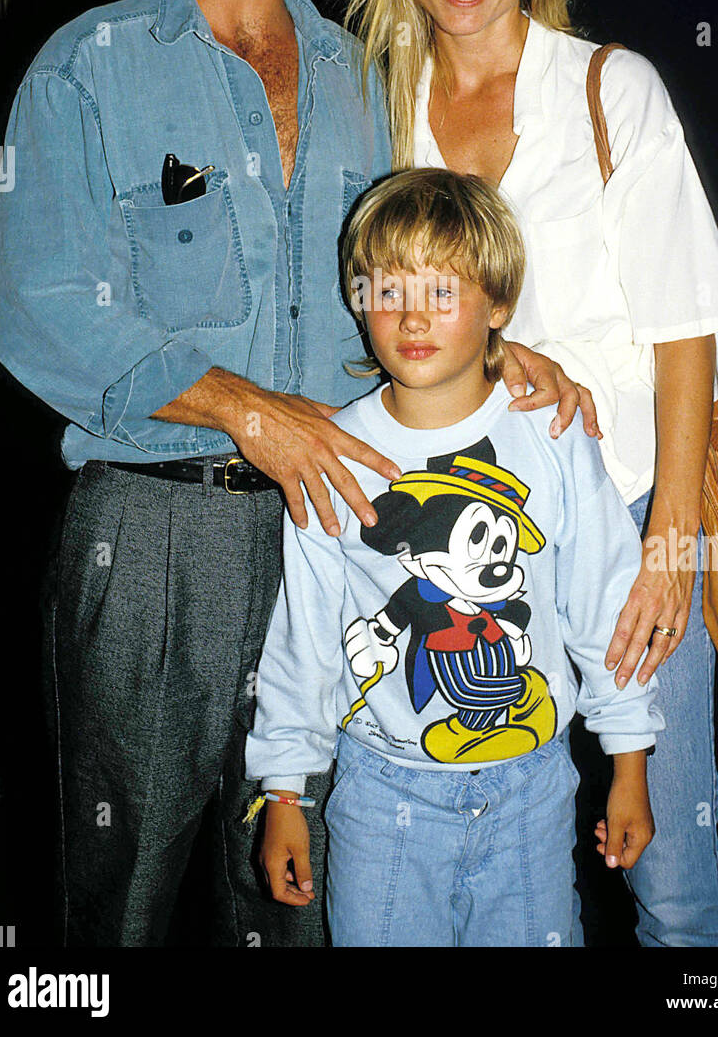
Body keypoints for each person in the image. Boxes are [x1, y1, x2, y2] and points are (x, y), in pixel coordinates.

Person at [0, 0, 592, 948]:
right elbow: (42, 305)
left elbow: (418, 266)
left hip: (346, 530)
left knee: (300, 890)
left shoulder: (371, 70)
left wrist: (490, 349)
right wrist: (242, 408)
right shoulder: (84, 68)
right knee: (122, 895)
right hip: (156, 527)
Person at [343, 0, 718, 947]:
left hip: (623, 511)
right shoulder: (379, 99)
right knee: (481, 857)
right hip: (465, 530)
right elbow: (386, 298)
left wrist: (668, 547)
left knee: (670, 873)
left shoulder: (608, 89)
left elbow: (686, 333)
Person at [247, 168, 662, 947]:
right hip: (379, 796)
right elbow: (302, 640)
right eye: (387, 289)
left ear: (498, 305)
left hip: (535, 789)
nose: (411, 316)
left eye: (443, 292)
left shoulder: (554, 435)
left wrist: (628, 763)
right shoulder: (331, 455)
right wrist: (282, 794)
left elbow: (603, 605)